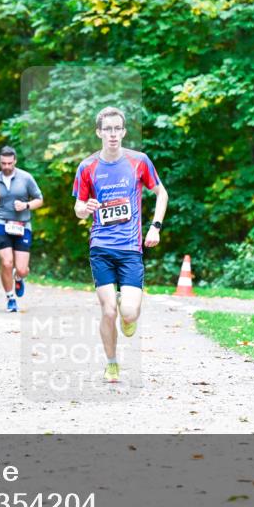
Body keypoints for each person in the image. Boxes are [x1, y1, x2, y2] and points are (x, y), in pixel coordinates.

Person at [72, 106, 168, 383]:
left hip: (130, 249)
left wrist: (155, 227)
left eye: (117, 129)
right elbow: (78, 206)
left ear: (123, 132)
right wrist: (85, 207)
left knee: (128, 311)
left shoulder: (138, 161)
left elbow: (161, 194)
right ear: (99, 132)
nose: (112, 134)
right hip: (100, 247)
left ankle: (129, 314)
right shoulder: (87, 167)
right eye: (107, 129)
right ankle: (112, 363)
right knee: (108, 309)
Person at [0, 146, 44, 312]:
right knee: (7, 262)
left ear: (15, 161)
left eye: (10, 163)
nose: (7, 166)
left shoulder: (26, 178)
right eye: (3, 163)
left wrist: (26, 205)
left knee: (22, 269)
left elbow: (40, 199)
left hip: (23, 225)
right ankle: (10, 298)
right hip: (2, 223)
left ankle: (18, 277)